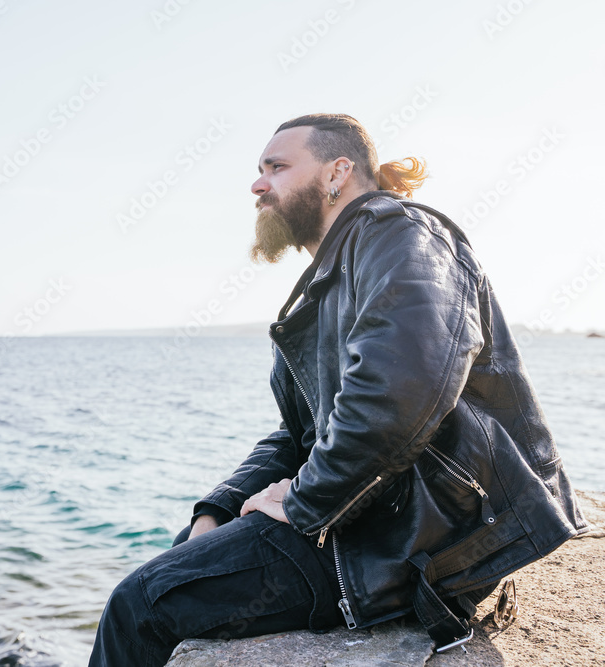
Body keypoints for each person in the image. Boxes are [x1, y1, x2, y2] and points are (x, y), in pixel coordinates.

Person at [88, 113, 589, 666]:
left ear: (338, 173)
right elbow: (297, 434)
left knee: (141, 605)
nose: (257, 184)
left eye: (276, 167)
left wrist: (303, 503)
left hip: (421, 539)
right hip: (373, 521)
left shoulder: (403, 237)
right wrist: (220, 508)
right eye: (258, 170)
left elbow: (402, 390)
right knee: (182, 556)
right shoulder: (332, 281)